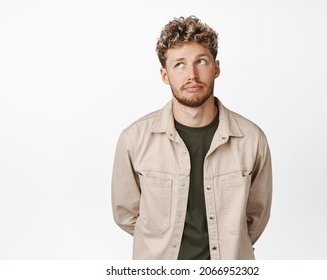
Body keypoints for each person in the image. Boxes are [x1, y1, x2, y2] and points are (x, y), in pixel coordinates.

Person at [111, 16, 272, 260]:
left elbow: (256, 217)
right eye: (179, 65)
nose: (192, 75)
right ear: (165, 75)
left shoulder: (251, 139)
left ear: (216, 68)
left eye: (201, 61)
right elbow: (126, 214)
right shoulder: (134, 139)